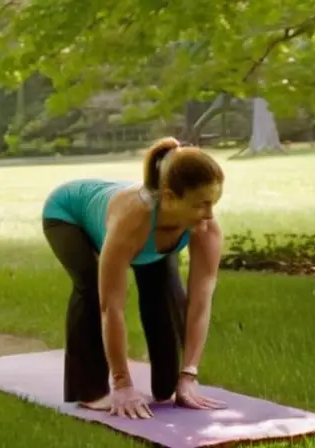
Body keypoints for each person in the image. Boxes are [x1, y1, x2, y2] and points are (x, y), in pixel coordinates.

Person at [41, 136, 227, 420]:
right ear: (168, 197)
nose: (209, 214)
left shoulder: (204, 227)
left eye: (213, 202)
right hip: (68, 214)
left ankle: (171, 381)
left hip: (148, 231)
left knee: (165, 296)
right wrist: (123, 383)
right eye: (201, 204)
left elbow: (200, 303)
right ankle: (89, 391)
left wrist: (189, 374)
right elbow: (111, 308)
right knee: (91, 289)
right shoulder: (133, 219)